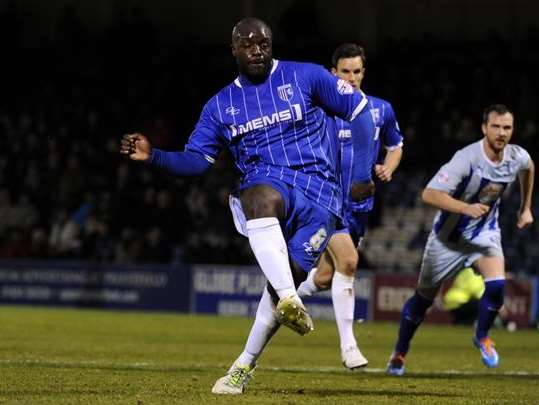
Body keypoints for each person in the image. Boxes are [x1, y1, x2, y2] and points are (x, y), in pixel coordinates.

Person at [120, 18, 377, 394]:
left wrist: (359, 174)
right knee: (256, 197)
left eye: (263, 43)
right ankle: (292, 297)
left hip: (323, 197)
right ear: (234, 49)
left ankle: (243, 365)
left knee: (274, 291)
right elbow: (196, 161)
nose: (257, 50)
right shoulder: (220, 106)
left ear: (271, 45)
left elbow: (360, 112)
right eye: (248, 44)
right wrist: (155, 155)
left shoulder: (306, 76)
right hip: (270, 181)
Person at [386, 104, 535, 376]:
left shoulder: (516, 156)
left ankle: (482, 336)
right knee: (423, 300)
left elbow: (529, 167)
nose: (502, 133)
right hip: (447, 240)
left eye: (507, 127)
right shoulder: (466, 158)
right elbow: (429, 194)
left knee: (497, 286)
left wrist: (526, 208)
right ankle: (400, 352)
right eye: (496, 127)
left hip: (483, 234)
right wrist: (466, 208)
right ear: (484, 128)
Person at [296, 43, 404, 369]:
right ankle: (349, 347)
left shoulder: (380, 110)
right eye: (346, 71)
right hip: (324, 200)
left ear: (363, 73)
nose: (352, 77)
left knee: (328, 275)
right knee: (350, 261)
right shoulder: (320, 110)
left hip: (358, 207)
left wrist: (388, 166)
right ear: (333, 74)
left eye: (357, 71)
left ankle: (284, 296)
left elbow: (395, 145)